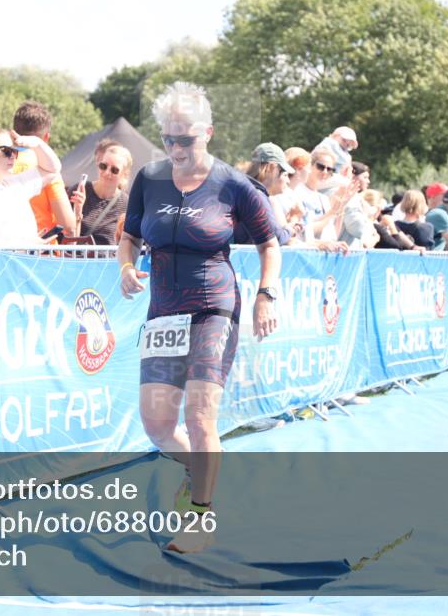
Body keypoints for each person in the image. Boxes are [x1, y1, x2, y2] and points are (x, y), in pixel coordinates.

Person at [118, 82, 280, 554]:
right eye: (168, 139)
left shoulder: (233, 184)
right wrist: (125, 267)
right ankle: (200, 471)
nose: (176, 149)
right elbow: (129, 237)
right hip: (163, 313)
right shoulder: (149, 179)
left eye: (185, 139)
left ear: (207, 133)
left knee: (200, 414)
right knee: (157, 425)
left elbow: (270, 243)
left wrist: (266, 294)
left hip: (214, 307)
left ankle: (200, 517)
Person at [12, 101, 77, 237]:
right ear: (46, 137)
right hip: (42, 247)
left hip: (6, 246)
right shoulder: (50, 171)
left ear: (14, 134)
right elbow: (68, 226)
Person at [68, 142, 132, 245]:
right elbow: (69, 239)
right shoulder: (80, 190)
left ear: (124, 174)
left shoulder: (127, 204)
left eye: (114, 170)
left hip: (107, 256)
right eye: (103, 166)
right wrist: (77, 212)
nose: (107, 172)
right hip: (77, 255)